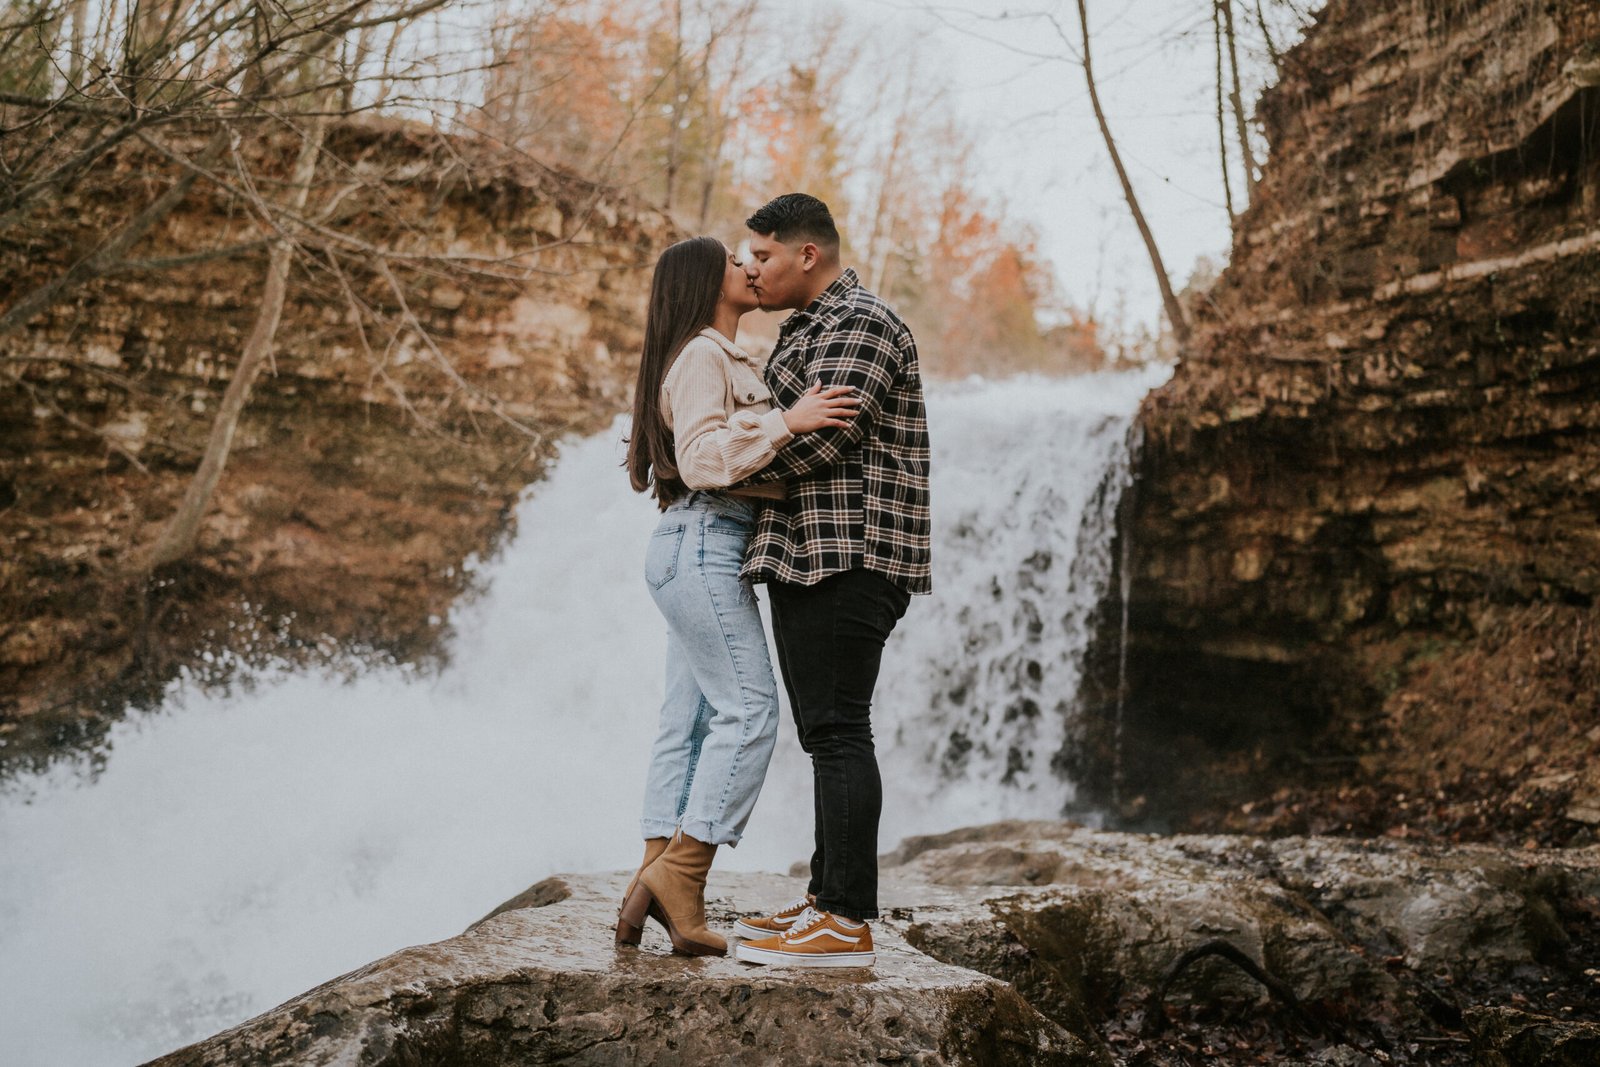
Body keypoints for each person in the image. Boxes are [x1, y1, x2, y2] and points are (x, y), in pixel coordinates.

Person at [617, 235, 859, 957]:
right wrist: (786, 421)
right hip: (705, 542)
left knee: (686, 720)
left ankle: (648, 883)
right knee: (750, 710)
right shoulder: (701, 356)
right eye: (734, 261)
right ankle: (683, 875)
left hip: (687, 545)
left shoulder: (711, 356)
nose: (750, 268)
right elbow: (699, 459)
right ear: (704, 280)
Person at [729, 194, 932, 969]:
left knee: (841, 728)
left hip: (850, 554)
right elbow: (789, 425)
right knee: (825, 733)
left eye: (764, 256)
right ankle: (825, 898)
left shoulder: (862, 324)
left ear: (805, 254)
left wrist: (720, 460)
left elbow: (824, 441)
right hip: (804, 552)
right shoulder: (808, 329)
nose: (752, 269)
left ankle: (847, 921)